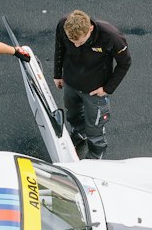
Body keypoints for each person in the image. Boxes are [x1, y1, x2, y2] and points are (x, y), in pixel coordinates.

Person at [53, 9, 131, 159]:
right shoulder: (63, 24)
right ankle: (78, 134)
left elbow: (125, 62)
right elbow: (59, 47)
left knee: (94, 128)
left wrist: (108, 88)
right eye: (72, 41)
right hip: (70, 82)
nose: (75, 46)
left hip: (94, 90)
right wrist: (57, 74)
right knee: (73, 115)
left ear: (90, 28)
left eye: (80, 42)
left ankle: (96, 154)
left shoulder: (111, 36)